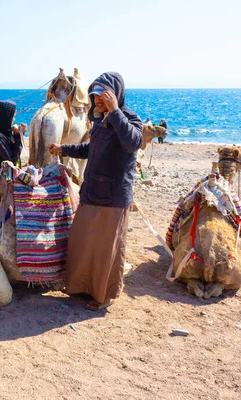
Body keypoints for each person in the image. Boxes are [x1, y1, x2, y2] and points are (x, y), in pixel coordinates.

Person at [48, 72, 143, 311]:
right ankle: (79, 287)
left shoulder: (129, 118)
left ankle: (104, 296)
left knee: (105, 249)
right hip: (91, 191)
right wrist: (64, 149)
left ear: (115, 95)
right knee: (83, 242)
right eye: (94, 96)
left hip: (113, 196)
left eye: (103, 96)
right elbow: (92, 149)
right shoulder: (100, 120)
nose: (97, 101)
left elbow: (133, 143)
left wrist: (115, 111)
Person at [0, 100, 26, 209]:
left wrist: (19, 134)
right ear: (5, 116)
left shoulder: (2, 132)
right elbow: (11, 160)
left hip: (7, 179)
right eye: (13, 116)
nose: (14, 119)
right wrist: (17, 137)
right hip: (1, 183)